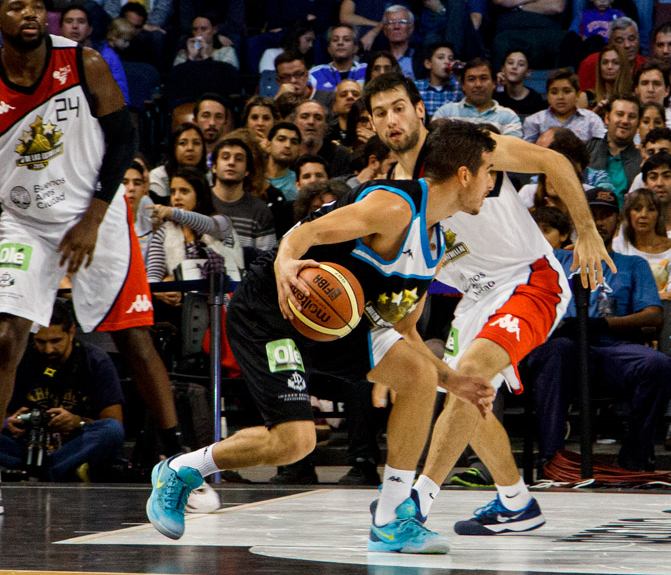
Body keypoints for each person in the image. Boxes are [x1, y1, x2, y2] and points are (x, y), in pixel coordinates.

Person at [145, 116, 499, 544]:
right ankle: (181, 471)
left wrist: (453, 380)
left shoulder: (435, 244)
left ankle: (391, 517)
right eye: (489, 172)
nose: (492, 183)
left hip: (339, 323)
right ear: (465, 174)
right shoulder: (396, 206)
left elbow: (406, 331)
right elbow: (307, 230)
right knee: (295, 442)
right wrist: (286, 263)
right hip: (272, 309)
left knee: (420, 375)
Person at [0, 0, 190, 516]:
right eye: (17, 6)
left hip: (98, 213)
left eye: (38, 6)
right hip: (24, 222)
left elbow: (126, 139)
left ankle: (181, 464)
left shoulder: (82, 61)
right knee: (6, 334)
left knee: (135, 339)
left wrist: (92, 216)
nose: (31, 13)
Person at [382, 71, 613, 539]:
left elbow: (553, 162)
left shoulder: (468, 141)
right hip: (475, 297)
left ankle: (417, 502)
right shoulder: (398, 187)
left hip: (529, 277)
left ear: (419, 109)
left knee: (471, 373)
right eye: (380, 112)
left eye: (399, 107)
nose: (392, 119)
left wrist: (586, 230)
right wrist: (395, 329)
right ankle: (516, 502)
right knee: (467, 395)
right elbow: (418, 267)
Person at [526, 186, 671, 470]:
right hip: (564, 349)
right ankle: (553, 459)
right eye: (591, 214)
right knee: (558, 350)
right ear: (577, 220)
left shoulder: (633, 264)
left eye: (606, 215)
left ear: (618, 220)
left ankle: (634, 459)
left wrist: (602, 323)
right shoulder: (556, 261)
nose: (598, 221)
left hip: (611, 350)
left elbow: (654, 315)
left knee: (660, 366)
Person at [0, 299, 125, 482]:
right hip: (29, 445)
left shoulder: (96, 361)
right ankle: (59, 471)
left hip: (74, 444)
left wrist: (77, 422)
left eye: (55, 341)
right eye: (40, 341)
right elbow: (5, 414)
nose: (48, 349)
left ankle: (37, 473)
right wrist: (10, 421)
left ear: (71, 332)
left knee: (112, 431)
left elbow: (114, 421)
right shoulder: (22, 358)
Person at [145, 165, 241, 293]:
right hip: (183, 307)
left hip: (224, 300)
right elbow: (153, 277)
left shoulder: (222, 223)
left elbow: (208, 225)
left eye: (184, 191)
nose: (177, 197)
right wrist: (161, 292)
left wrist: (173, 213)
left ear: (200, 195)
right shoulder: (164, 232)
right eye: (173, 192)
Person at [613, 186, 671, 302]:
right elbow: (618, 292)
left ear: (659, 215)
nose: (643, 215)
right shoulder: (618, 247)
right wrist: (657, 297)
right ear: (628, 214)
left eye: (651, 209)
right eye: (637, 209)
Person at [210, 135, 277, 255]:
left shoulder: (260, 210)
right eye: (225, 157)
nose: (231, 162)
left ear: (247, 171)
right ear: (214, 167)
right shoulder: (200, 201)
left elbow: (265, 260)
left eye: (239, 159)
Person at [433, 57, 523, 137]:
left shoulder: (508, 117)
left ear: (494, 83)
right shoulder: (445, 113)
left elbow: (511, 152)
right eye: (471, 79)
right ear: (463, 85)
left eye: (483, 78)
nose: (478, 84)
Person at [523, 68, 605, 143]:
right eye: (554, 92)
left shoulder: (592, 120)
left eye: (567, 91)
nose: (560, 97)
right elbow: (527, 153)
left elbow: (600, 150)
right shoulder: (534, 122)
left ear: (577, 95)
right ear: (548, 97)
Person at [587, 93, 642, 198]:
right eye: (620, 114)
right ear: (607, 118)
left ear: (638, 124)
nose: (625, 121)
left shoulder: (642, 161)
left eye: (632, 116)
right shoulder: (587, 149)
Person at [578, 16, 642, 91]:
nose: (627, 45)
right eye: (619, 41)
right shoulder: (591, 63)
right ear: (610, 43)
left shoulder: (645, 64)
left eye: (632, 39)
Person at [308, 25, 367, 102]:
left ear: (355, 48)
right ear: (328, 49)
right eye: (335, 40)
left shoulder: (367, 70)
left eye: (346, 39)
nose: (340, 43)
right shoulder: (316, 73)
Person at [295, 99, 351, 177]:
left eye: (318, 118)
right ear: (294, 122)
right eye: (305, 117)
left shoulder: (341, 155)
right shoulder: (288, 153)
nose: (311, 122)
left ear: (326, 126)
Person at [149, 121, 204, 200]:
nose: (190, 148)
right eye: (183, 143)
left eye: (196, 143)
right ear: (173, 148)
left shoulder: (209, 176)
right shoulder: (159, 176)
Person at [494, 49, 547, 116]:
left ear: (528, 73)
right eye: (510, 63)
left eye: (521, 64)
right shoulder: (497, 94)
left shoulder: (535, 100)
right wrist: (497, 85)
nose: (514, 67)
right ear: (503, 69)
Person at [415, 42, 462, 118]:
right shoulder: (417, 87)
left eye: (450, 59)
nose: (447, 62)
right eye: (441, 57)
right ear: (428, 64)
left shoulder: (459, 87)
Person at [264, 120, 301, 201]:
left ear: (299, 150)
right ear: (268, 145)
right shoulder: (254, 179)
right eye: (281, 139)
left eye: (294, 142)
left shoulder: (299, 183)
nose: (288, 145)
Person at [583, 43, 626, 109]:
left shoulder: (632, 96)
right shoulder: (587, 97)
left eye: (615, 63)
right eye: (605, 62)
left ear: (623, 67)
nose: (609, 67)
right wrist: (595, 113)